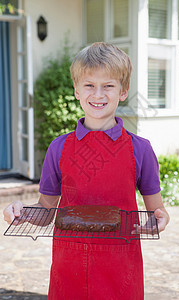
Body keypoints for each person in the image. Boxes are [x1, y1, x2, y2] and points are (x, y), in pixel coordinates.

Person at [3, 42, 169, 300]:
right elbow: (46, 212)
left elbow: (157, 212)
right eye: (89, 85)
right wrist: (23, 212)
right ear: (77, 91)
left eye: (108, 86)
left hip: (120, 268)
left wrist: (157, 221)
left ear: (123, 91)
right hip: (68, 266)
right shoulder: (58, 148)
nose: (98, 94)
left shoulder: (140, 150)